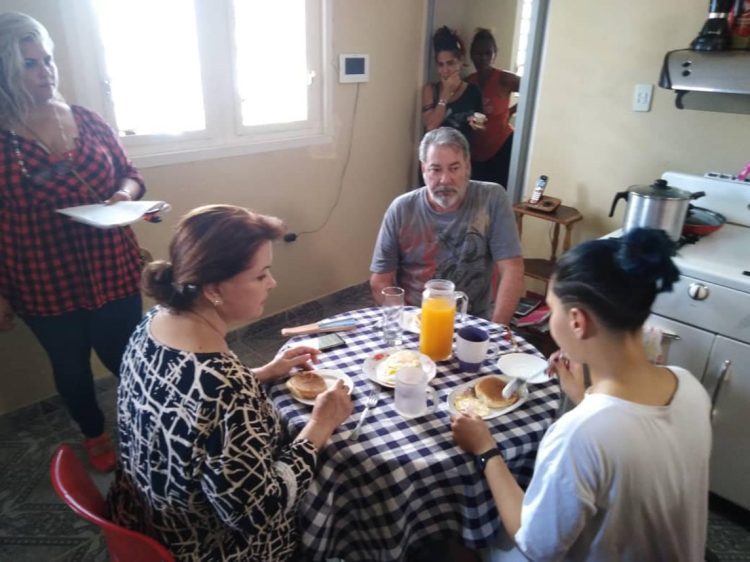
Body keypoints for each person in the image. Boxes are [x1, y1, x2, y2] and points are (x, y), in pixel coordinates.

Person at [107, 205, 353, 562]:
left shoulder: (152, 324)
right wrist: (320, 425)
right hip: (208, 549)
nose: (272, 283)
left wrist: (264, 372)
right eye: (260, 276)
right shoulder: (226, 387)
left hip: (145, 519)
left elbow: (191, 406)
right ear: (213, 289)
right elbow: (262, 511)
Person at [452, 228, 712, 561]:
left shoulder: (581, 434)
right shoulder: (688, 385)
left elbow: (535, 544)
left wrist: (486, 449)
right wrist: (585, 397)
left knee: (470, 539)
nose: (549, 319)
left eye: (551, 308)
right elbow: (629, 438)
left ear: (577, 321)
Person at [0, 13, 145, 472]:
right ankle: (94, 433)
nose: (46, 72)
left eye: (48, 60)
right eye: (30, 64)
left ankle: (144, 422)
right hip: (43, 279)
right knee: (71, 367)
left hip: (112, 267)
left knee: (130, 357)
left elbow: (132, 175)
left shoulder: (87, 119)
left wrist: (124, 195)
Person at [370, 127, 524, 326]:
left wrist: (496, 330)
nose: (445, 180)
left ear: (467, 167)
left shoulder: (492, 198)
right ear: (423, 169)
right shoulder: (401, 209)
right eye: (435, 169)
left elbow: (512, 270)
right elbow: (380, 281)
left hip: (473, 321)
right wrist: (402, 324)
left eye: (454, 168)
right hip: (416, 320)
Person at [466, 29, 520, 189]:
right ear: (471, 55)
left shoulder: (504, 78)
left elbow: (533, 91)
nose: (482, 58)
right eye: (478, 53)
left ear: (494, 54)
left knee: (499, 196)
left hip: (502, 147)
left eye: (487, 53)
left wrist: (511, 111)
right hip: (476, 152)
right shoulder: (469, 82)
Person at [422, 26, 484, 144]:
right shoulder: (430, 90)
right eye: (440, 64)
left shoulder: (473, 91)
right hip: (436, 157)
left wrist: (477, 124)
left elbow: (481, 127)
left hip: (461, 156)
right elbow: (430, 127)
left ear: (460, 62)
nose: (445, 70)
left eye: (450, 63)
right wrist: (445, 94)